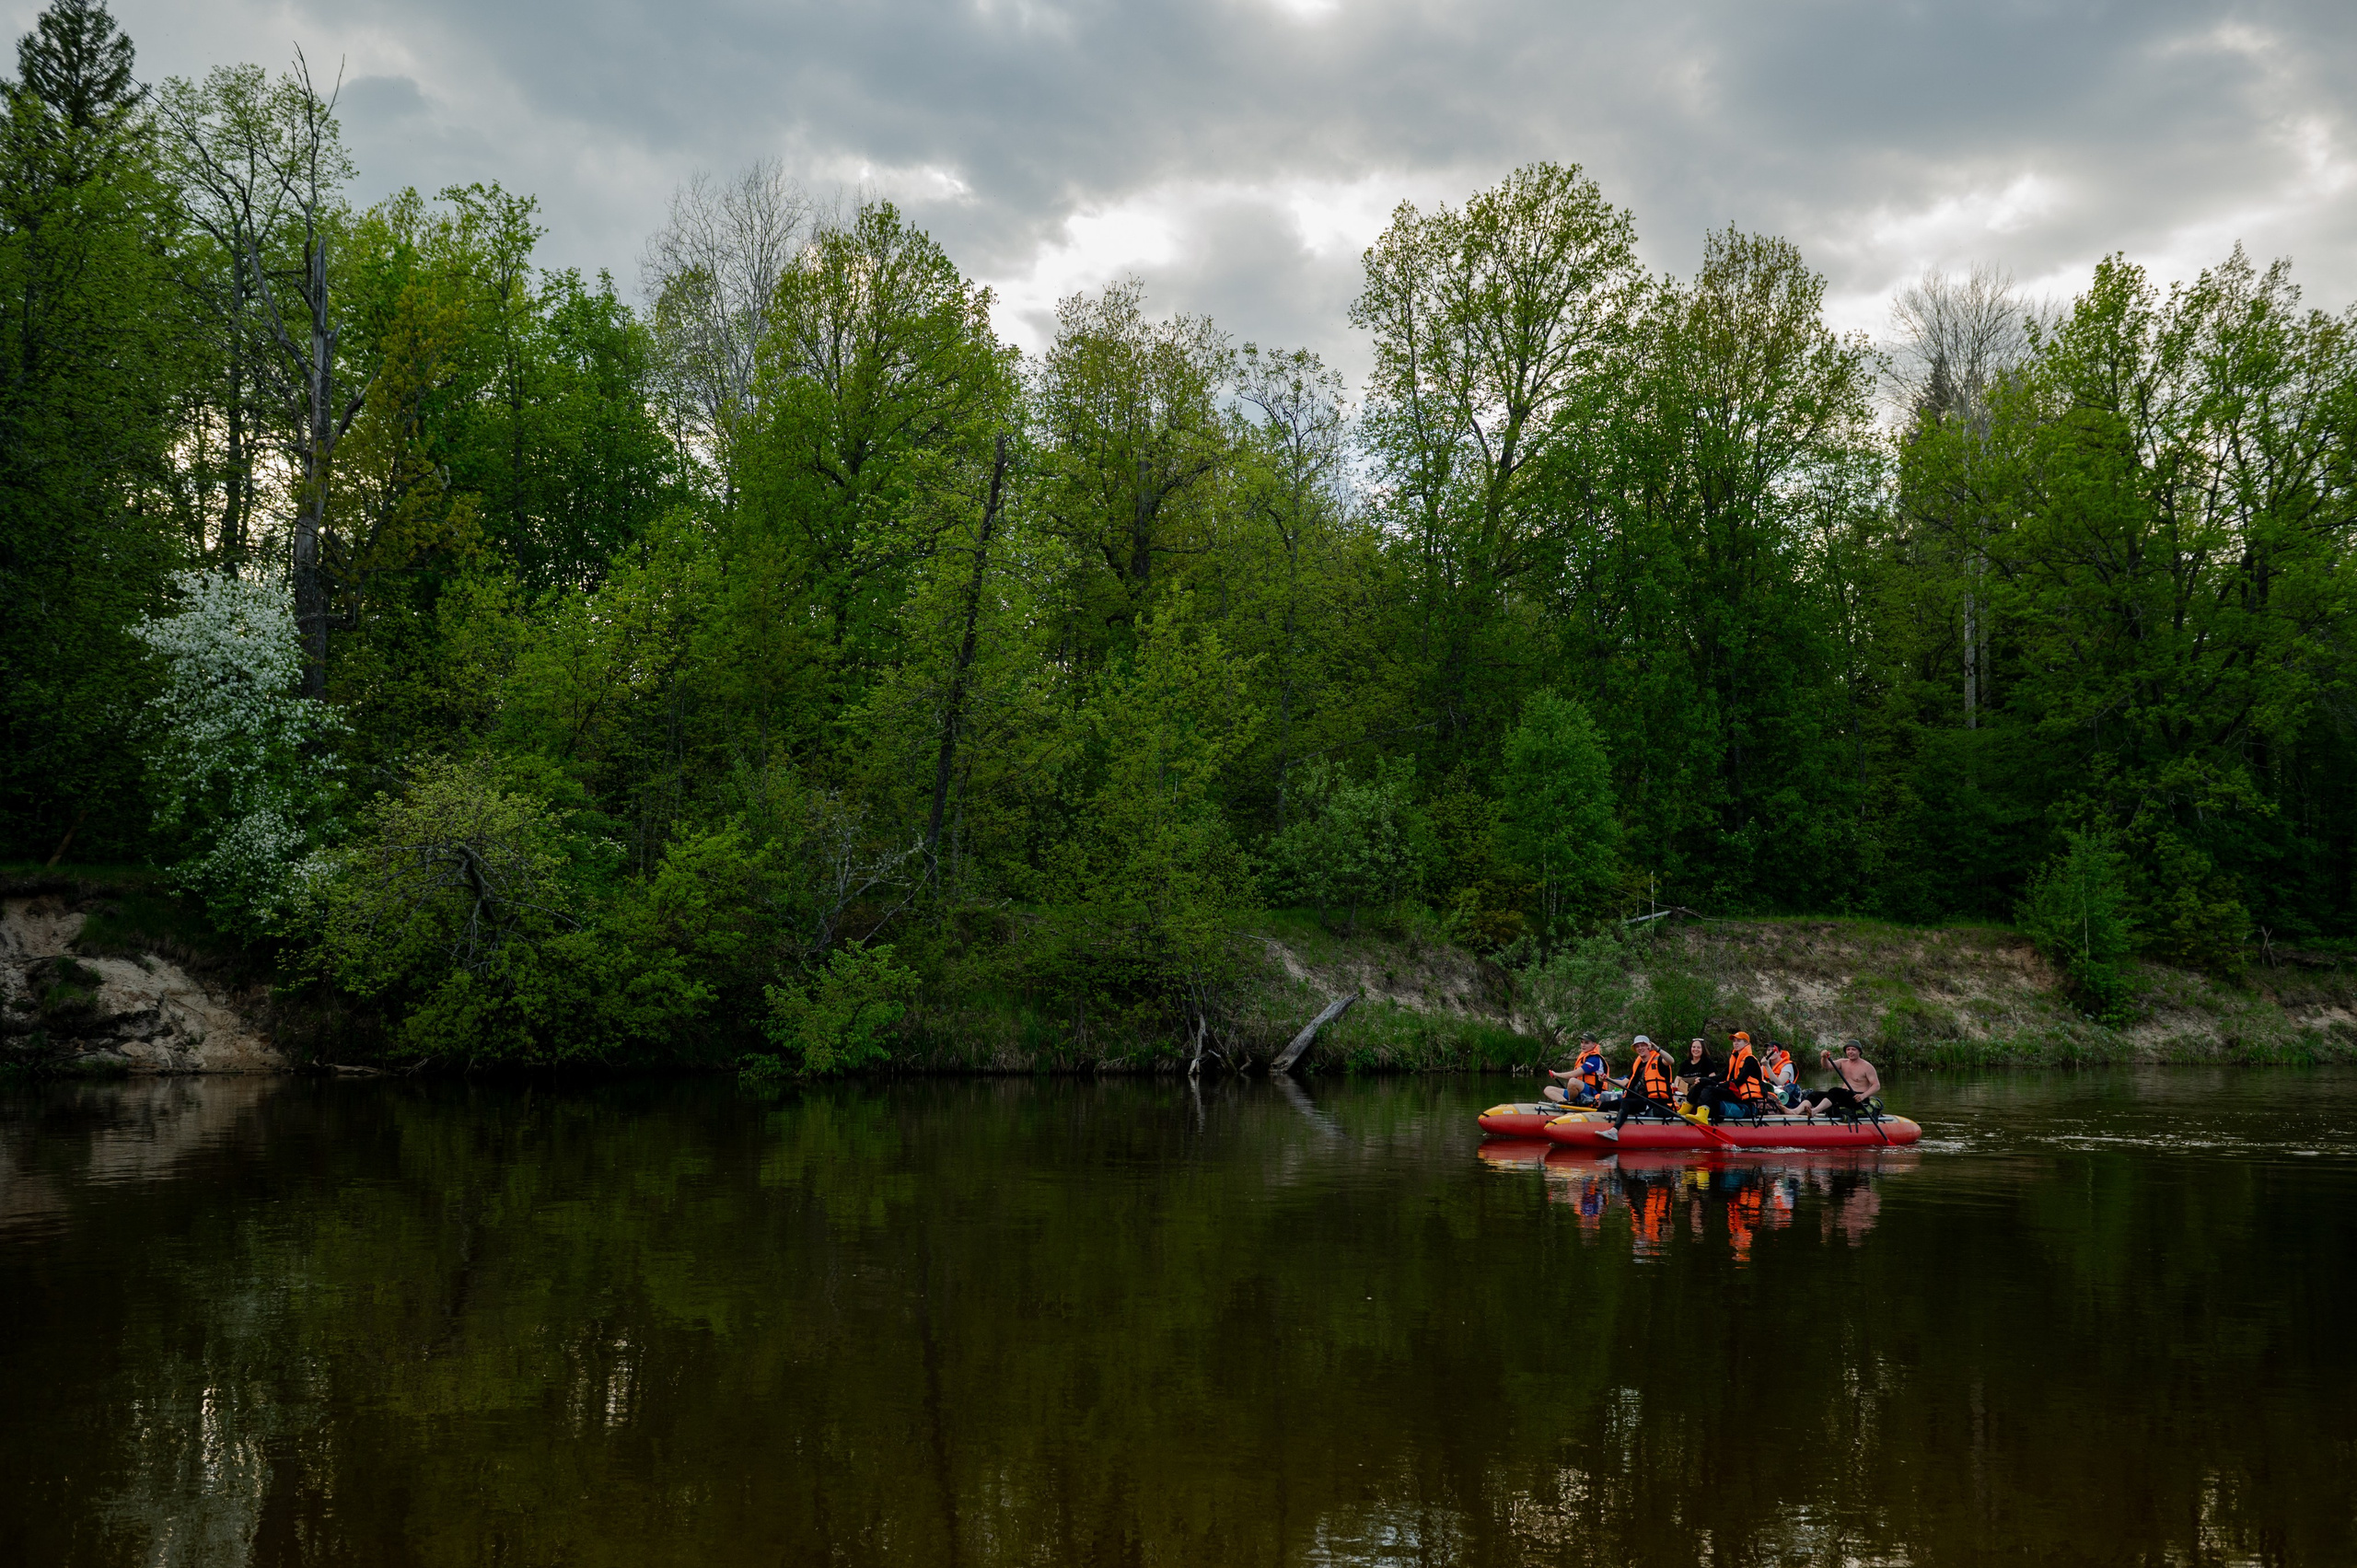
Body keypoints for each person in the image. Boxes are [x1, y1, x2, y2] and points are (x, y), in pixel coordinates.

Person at [1599, 1036, 1676, 1141]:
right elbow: (1624, 1083)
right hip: (1637, 1101)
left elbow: (1671, 1061)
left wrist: (1657, 1048)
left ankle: (1614, 1131)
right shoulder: (1638, 1064)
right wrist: (1607, 1080)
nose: (1640, 1048)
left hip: (1653, 1102)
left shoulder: (1659, 1061)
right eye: (1637, 1046)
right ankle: (1594, 1125)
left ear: (1648, 1046)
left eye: (1643, 1045)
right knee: (1606, 1105)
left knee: (1626, 1102)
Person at [1693, 1030, 1771, 1123]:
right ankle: (1685, 1110)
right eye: (1734, 1041)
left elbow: (1740, 1080)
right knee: (1701, 1084)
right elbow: (1722, 1076)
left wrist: (1719, 1085)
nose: (1735, 1043)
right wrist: (1703, 1079)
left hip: (1742, 1096)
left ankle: (1702, 1116)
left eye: (1739, 1041)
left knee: (1709, 1089)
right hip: (1733, 1091)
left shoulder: (1750, 1060)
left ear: (1746, 1043)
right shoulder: (1734, 1058)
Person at [1797, 1042, 1884, 1121]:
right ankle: (1796, 1111)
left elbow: (1876, 1085)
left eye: (1853, 1049)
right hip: (1844, 1096)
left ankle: (1814, 1111)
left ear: (1859, 1052)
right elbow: (1827, 1066)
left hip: (1858, 1099)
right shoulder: (1843, 1062)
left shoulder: (1867, 1066)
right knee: (1815, 1094)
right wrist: (1824, 1058)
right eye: (1848, 1049)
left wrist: (1863, 1096)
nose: (1850, 1052)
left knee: (1835, 1091)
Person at [1544, 1037, 1615, 1107]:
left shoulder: (1595, 1059)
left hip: (1593, 1093)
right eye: (1582, 1042)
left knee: (1572, 1081)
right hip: (1580, 1091)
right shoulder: (1584, 1056)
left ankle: (1571, 1103)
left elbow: (1572, 1075)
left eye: (1586, 1043)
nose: (1583, 1045)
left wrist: (1556, 1074)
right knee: (1548, 1089)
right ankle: (1566, 1103)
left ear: (1594, 1044)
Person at [1675, 1038, 1720, 1110]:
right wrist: (1677, 1087)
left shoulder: (1707, 1062)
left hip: (1700, 1094)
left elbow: (1713, 1079)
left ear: (1703, 1049)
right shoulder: (1685, 1063)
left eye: (1698, 1047)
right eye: (1694, 1047)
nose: (1696, 1049)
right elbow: (1677, 1079)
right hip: (1684, 1093)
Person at [1764, 1040, 1799, 1108]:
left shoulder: (1787, 1065)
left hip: (1785, 1095)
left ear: (1780, 1052)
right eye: (1768, 1050)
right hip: (1769, 1094)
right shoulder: (1764, 1066)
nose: (1770, 1052)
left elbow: (1779, 1083)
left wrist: (1767, 1066)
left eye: (1773, 1050)